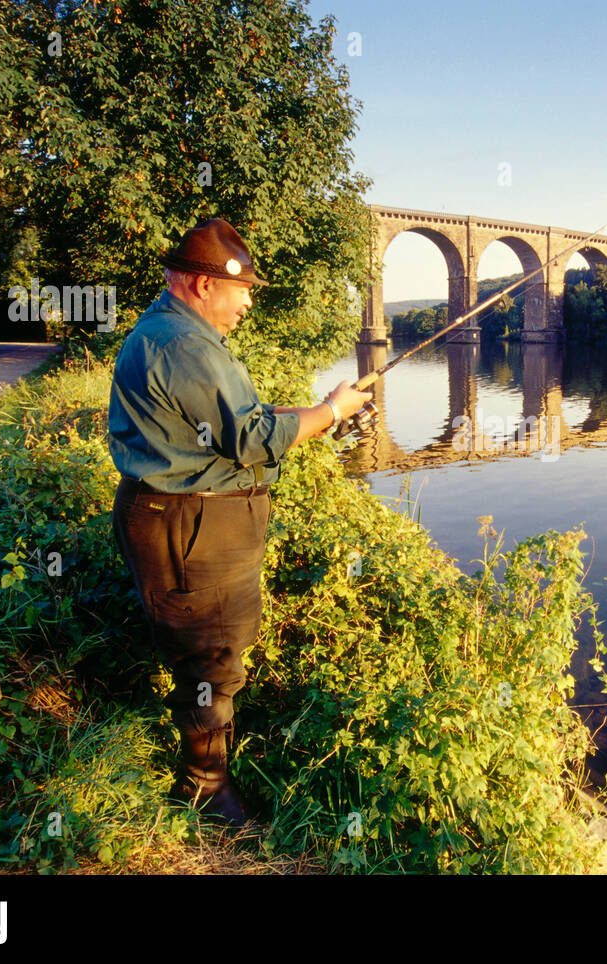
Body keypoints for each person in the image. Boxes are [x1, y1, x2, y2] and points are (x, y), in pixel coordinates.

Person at [107, 217, 372, 825]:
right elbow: (251, 439)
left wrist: (309, 411)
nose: (250, 301)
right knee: (212, 657)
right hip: (192, 527)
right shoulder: (185, 345)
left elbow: (224, 424)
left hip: (185, 519)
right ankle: (205, 789)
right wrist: (330, 412)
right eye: (243, 288)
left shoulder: (172, 333)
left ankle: (206, 767)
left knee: (204, 650)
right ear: (203, 285)